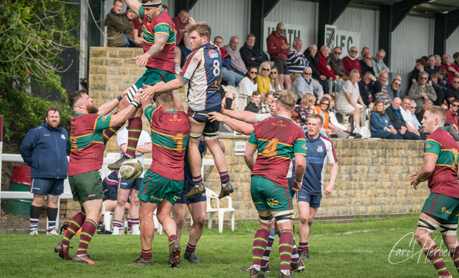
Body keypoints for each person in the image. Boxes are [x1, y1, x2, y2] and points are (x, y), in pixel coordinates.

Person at [142, 22, 233, 200]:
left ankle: (198, 183)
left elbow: (180, 82)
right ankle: (225, 181)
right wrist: (197, 25)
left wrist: (155, 89)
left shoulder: (195, 55)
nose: (190, 41)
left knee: (193, 144)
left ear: (203, 38)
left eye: (193, 38)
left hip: (199, 106)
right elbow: (206, 34)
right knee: (213, 144)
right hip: (214, 105)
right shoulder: (216, 51)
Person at [54, 89, 143, 264]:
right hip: (87, 173)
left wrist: (119, 98)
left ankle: (64, 244)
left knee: (84, 211)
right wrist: (134, 102)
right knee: (95, 214)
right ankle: (81, 253)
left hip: (75, 174)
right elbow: (116, 119)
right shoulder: (89, 120)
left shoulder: (77, 119)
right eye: (88, 98)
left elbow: (101, 111)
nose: (92, 99)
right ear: (81, 105)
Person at [107, 0, 177, 170]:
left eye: (148, 10)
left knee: (129, 105)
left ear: (158, 7)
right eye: (143, 10)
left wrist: (147, 54)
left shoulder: (163, 21)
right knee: (134, 109)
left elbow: (160, 42)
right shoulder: (146, 13)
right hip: (153, 71)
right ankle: (129, 155)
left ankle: (104, 140)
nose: (144, 13)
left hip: (161, 72)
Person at [244, 90, 306, 278]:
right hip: (276, 182)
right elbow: (301, 163)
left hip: (256, 181)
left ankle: (256, 268)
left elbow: (247, 155)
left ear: (277, 106)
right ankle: (286, 272)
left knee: (264, 224)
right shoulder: (297, 130)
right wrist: (298, 180)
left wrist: (257, 172)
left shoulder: (260, 125)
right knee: (285, 226)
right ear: (293, 109)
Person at [128, 91, 190, 267]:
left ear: (160, 106)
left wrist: (148, 88)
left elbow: (145, 101)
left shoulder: (158, 116)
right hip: (177, 177)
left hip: (158, 174)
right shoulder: (184, 119)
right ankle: (173, 241)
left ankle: (146, 257)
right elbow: (178, 105)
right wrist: (168, 86)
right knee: (164, 214)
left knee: (145, 213)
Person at [410, 106, 459, 278]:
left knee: (421, 234)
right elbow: (458, 173)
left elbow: (428, 168)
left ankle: (445, 276)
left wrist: (418, 177)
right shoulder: (454, 142)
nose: (421, 121)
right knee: (451, 241)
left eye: (425, 118)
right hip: (455, 195)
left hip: (442, 192)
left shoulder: (433, 138)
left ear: (436, 120)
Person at [20, 106, 69, 235]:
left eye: (56, 116)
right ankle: (33, 229)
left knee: (54, 200)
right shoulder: (37, 131)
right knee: (39, 200)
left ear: (59, 118)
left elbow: (66, 150)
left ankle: (51, 229)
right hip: (41, 173)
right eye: (52, 117)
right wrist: (33, 163)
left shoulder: (64, 133)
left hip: (59, 174)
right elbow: (24, 148)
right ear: (46, 118)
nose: (54, 119)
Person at [298, 115, 338, 260]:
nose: (310, 127)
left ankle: (303, 246)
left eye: (314, 124)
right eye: (309, 124)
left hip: (318, 187)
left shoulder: (326, 143)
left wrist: (331, 183)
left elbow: (334, 164)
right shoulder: (300, 139)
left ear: (320, 127)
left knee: (309, 219)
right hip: (302, 185)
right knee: (303, 217)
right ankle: (302, 250)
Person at [171, 139, 210, 265]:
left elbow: (221, 148)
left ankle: (190, 252)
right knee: (179, 219)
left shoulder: (203, 134)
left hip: (196, 183)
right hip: (178, 182)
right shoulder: (181, 130)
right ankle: (174, 255)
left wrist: (214, 138)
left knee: (200, 219)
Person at [112, 126, 152, 235]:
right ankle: (116, 228)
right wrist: (140, 149)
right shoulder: (122, 133)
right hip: (125, 171)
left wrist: (132, 148)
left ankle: (135, 229)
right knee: (121, 200)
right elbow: (126, 151)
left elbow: (149, 149)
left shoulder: (144, 133)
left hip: (139, 172)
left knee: (136, 200)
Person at [267, 22, 291, 90]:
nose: (282, 32)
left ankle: (288, 96)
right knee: (280, 80)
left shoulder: (284, 38)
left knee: (288, 80)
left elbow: (287, 51)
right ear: (276, 29)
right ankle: (282, 96)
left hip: (284, 60)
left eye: (283, 30)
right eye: (280, 30)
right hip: (276, 59)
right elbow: (270, 51)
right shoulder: (271, 37)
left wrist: (277, 48)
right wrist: (281, 48)